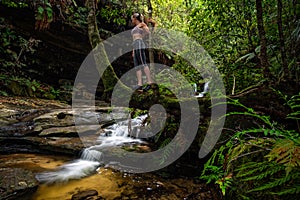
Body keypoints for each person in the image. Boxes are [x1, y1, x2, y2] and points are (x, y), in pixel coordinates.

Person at [131, 13, 155, 92]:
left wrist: (142, 35)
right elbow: (133, 39)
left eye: (132, 18)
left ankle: (149, 82)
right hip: (135, 45)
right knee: (137, 65)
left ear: (135, 18)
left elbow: (148, 32)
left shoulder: (142, 24)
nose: (132, 20)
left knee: (143, 62)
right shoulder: (135, 27)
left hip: (139, 43)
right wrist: (133, 50)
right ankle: (139, 84)